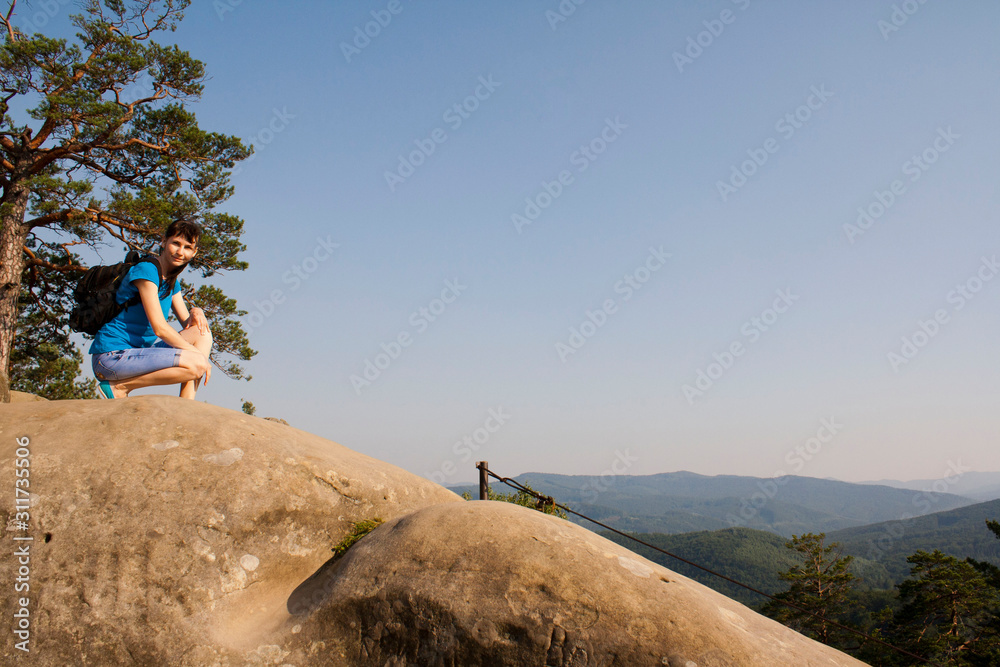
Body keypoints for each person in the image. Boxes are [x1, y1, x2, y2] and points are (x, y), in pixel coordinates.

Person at [89, 219, 213, 399]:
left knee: (202, 332)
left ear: (194, 252)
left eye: (187, 247)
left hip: (137, 354)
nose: (180, 252)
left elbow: (190, 327)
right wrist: (197, 357)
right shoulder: (147, 271)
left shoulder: (172, 281)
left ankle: (187, 405)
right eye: (175, 243)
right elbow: (160, 328)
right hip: (111, 357)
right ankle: (119, 387)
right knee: (197, 363)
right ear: (164, 241)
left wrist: (197, 311)